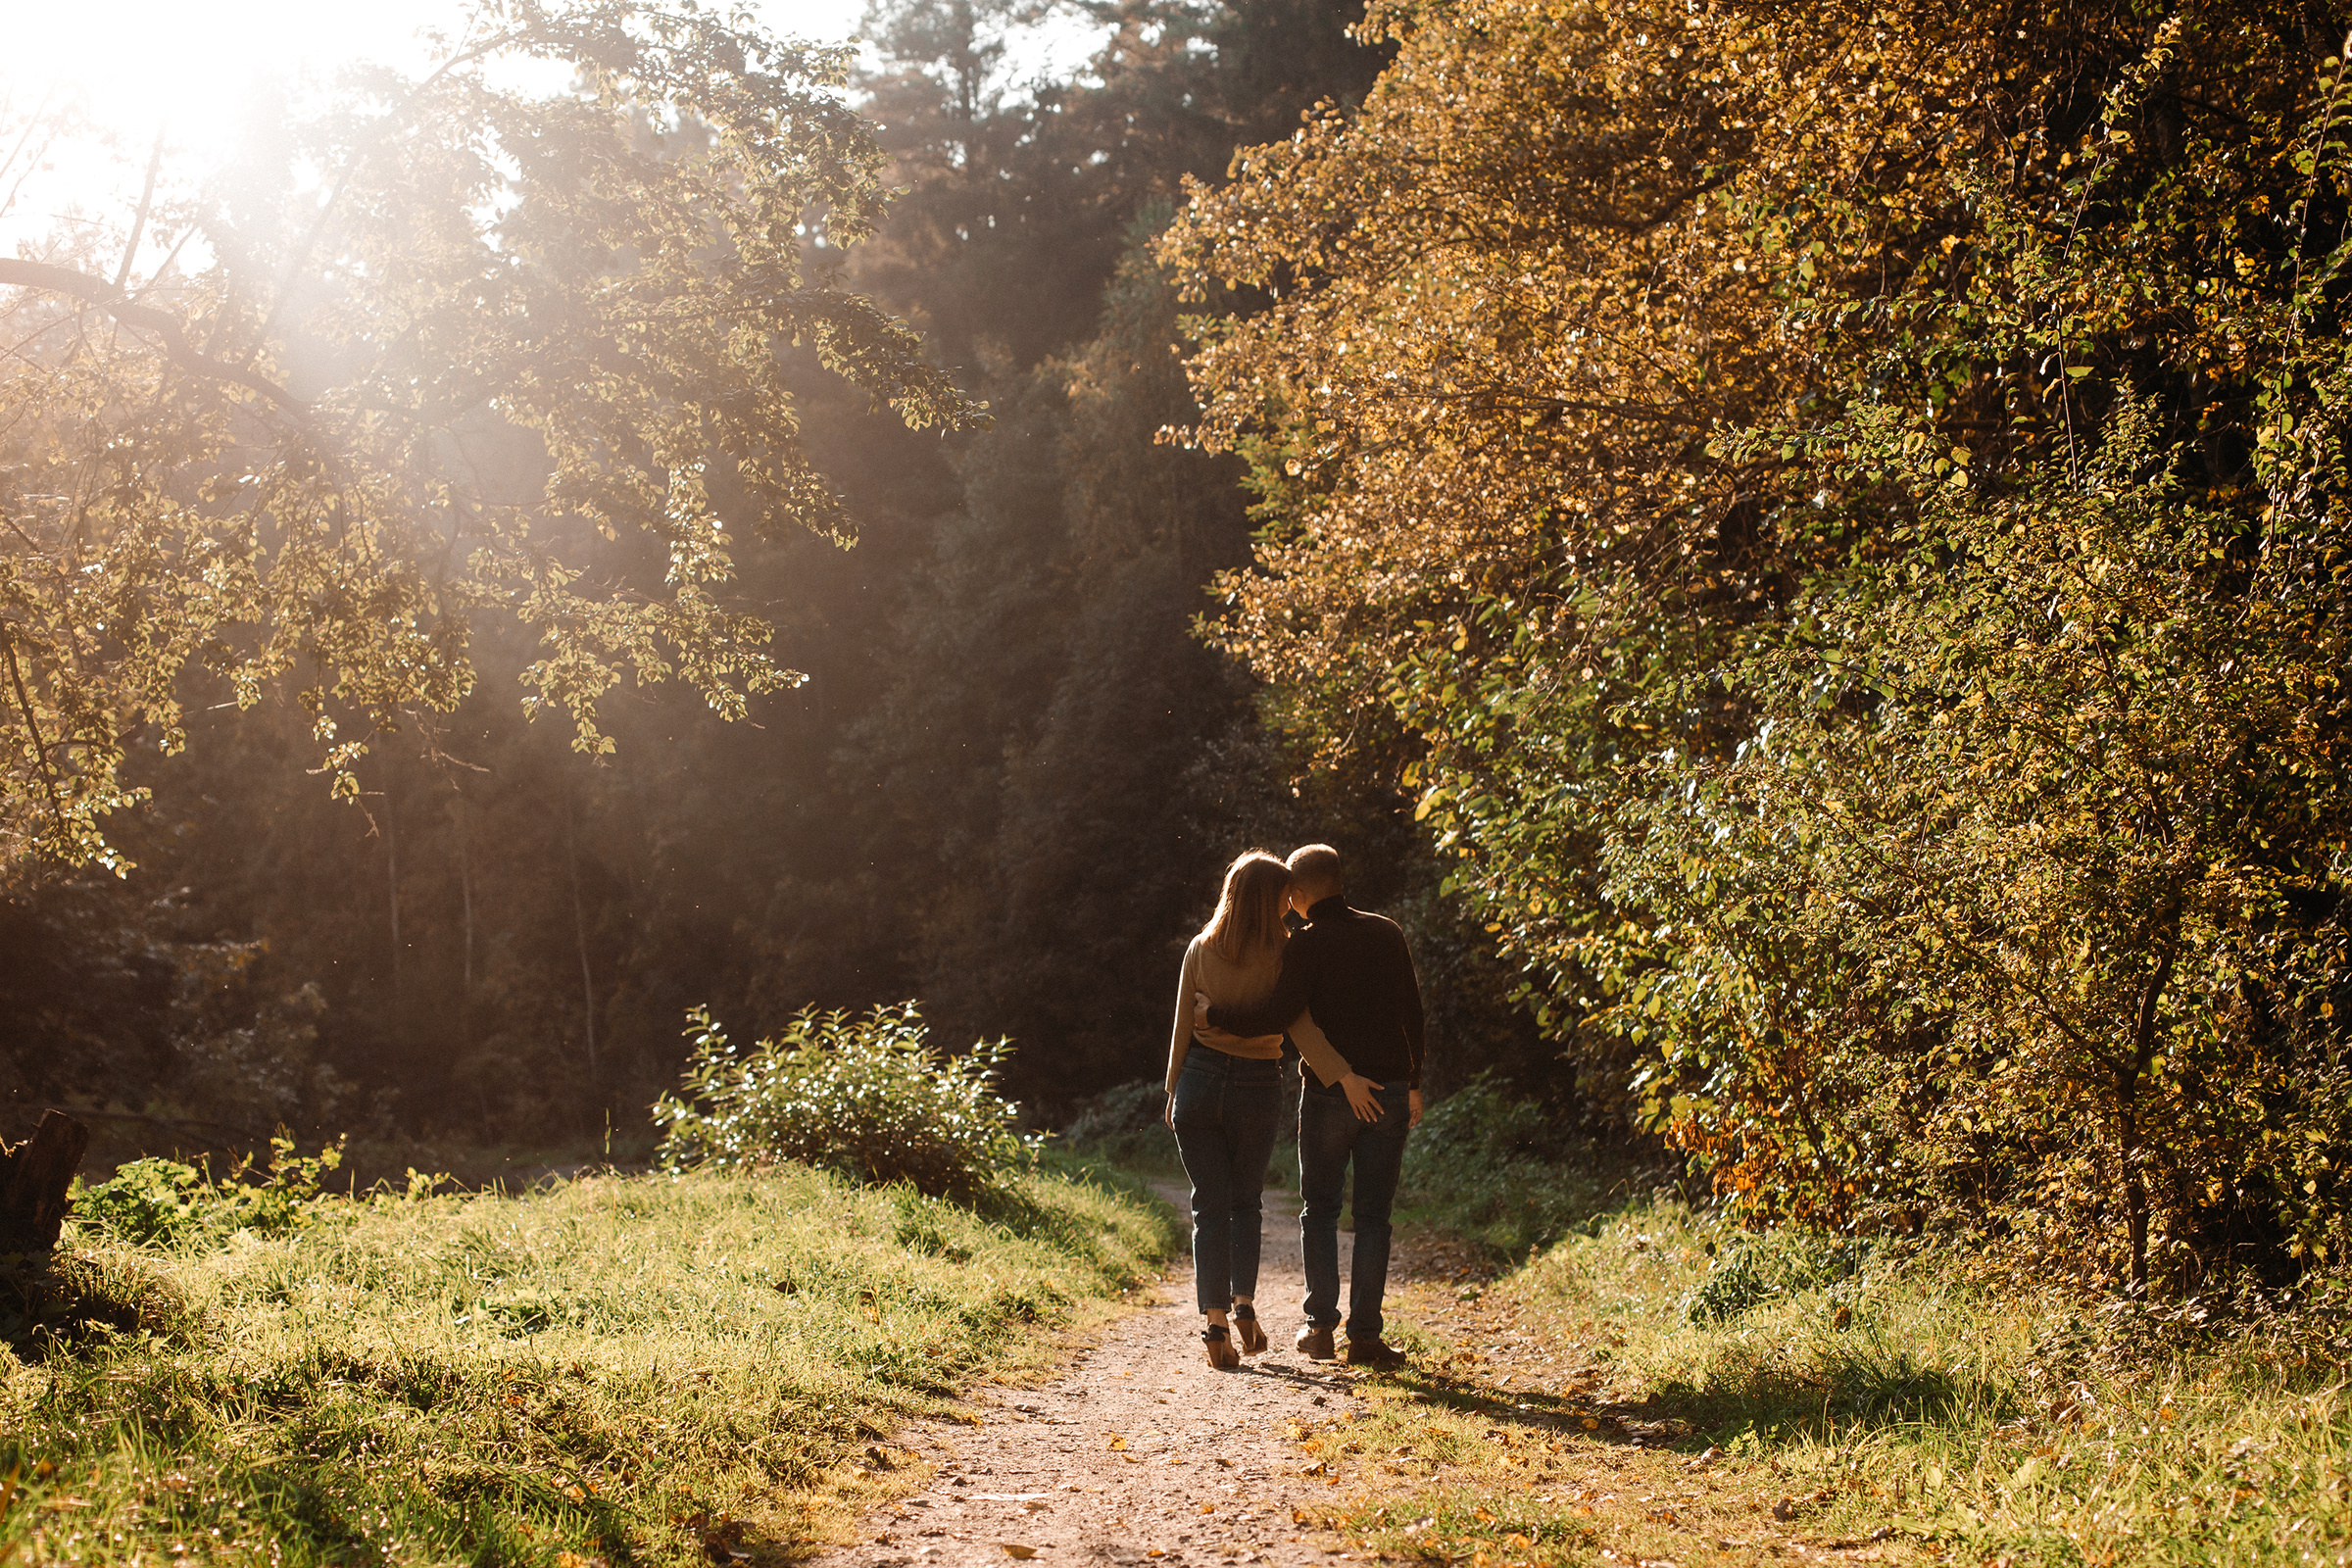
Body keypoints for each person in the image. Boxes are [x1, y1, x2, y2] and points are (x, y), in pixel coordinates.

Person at [1196, 843, 1425, 1368]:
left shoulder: (1305, 944)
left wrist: (1215, 1017)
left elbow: (1279, 1015)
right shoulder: (1388, 932)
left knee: (1319, 1210)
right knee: (1374, 1217)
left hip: (1329, 1097)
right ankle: (1366, 1336)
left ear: (1296, 894)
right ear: (1339, 880)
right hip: (1388, 1091)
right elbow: (1413, 1014)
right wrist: (1413, 1084)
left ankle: (1320, 1329)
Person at [1166, 850, 1360, 1369]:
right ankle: (1245, 1304)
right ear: (1267, 899)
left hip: (1199, 1081)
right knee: (1245, 1202)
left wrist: (1171, 1091)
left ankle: (1214, 1325)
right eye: (1283, 895)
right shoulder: (1285, 953)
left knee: (1207, 1205)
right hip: (1255, 1083)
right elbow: (1298, 1025)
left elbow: (1183, 1023)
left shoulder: (1200, 947)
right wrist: (1341, 1074)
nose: (1291, 904)